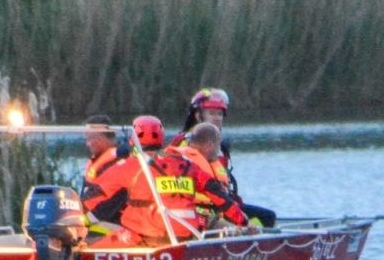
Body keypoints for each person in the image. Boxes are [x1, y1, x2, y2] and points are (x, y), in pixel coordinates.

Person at [170, 88, 277, 227]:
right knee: (264, 219)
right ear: (198, 116)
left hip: (221, 204)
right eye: (211, 113)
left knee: (266, 217)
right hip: (205, 208)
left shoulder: (218, 145)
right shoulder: (188, 145)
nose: (217, 118)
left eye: (220, 114)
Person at [86, 115, 178, 247]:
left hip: (139, 231)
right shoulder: (179, 164)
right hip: (173, 230)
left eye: (90, 139)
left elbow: (105, 203)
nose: (87, 143)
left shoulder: (126, 167)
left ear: (133, 139)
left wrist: (80, 218)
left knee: (87, 244)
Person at [156, 122, 249, 234]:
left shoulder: (165, 162)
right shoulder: (193, 168)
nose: (219, 150)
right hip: (198, 217)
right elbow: (218, 196)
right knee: (243, 232)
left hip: (163, 221)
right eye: (218, 145)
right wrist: (244, 222)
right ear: (210, 145)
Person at [79, 115, 127, 237]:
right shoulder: (102, 161)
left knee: (72, 236)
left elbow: (109, 204)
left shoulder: (119, 164)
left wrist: (82, 220)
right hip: (97, 218)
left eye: (89, 139)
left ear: (100, 138)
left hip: (114, 222)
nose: (87, 144)